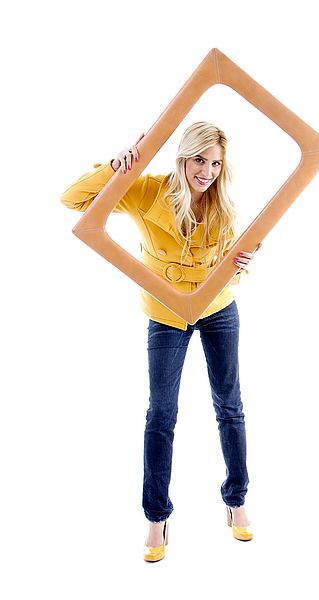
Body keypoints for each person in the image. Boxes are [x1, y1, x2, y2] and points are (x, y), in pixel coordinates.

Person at [60, 121, 261, 562]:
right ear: (183, 156)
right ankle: (156, 517)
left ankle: (237, 501)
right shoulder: (146, 190)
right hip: (166, 313)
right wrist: (116, 166)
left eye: (215, 163)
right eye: (199, 160)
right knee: (161, 413)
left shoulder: (223, 201)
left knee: (230, 404)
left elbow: (235, 263)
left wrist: (241, 265)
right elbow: (73, 200)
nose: (206, 171)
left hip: (217, 309)